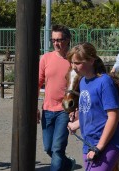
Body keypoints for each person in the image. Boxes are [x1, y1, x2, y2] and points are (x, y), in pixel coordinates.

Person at [67, 42, 119, 171]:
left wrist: (99, 147)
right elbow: (91, 112)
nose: (73, 67)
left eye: (77, 63)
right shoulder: (83, 82)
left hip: (108, 143)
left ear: (91, 60)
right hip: (89, 142)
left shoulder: (105, 82)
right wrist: (76, 124)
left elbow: (113, 117)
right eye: (72, 63)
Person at [38, 24, 76, 171]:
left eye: (59, 40)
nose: (56, 43)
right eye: (53, 40)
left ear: (67, 40)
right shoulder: (45, 58)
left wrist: (75, 110)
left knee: (57, 148)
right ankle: (68, 164)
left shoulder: (73, 61)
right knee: (48, 147)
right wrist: (35, 107)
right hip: (47, 109)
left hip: (64, 110)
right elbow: (37, 82)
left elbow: (79, 87)